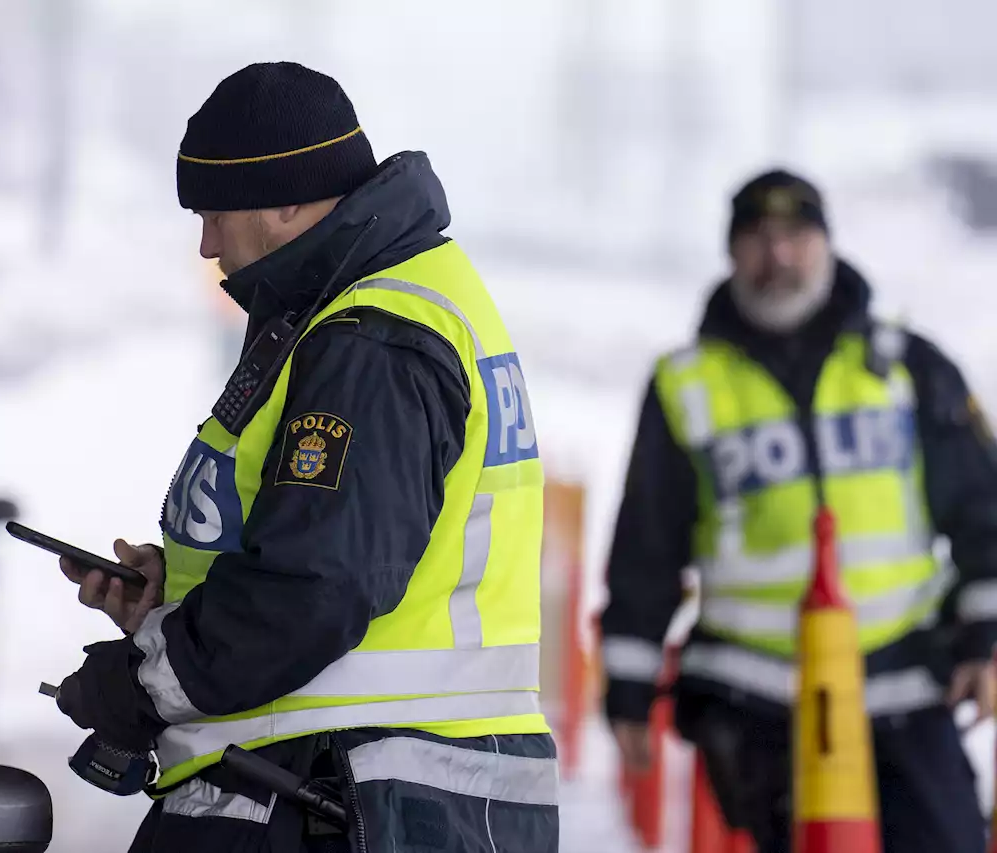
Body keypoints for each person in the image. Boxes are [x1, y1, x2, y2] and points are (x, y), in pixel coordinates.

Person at [51, 61, 559, 853]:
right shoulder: (380, 304)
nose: (207, 242)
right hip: (379, 793)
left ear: (289, 200)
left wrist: (142, 683)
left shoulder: (372, 338)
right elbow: (326, 540)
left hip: (350, 796)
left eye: (217, 212)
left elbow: (319, 586)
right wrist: (180, 595)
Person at [601, 168, 997, 853]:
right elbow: (647, 547)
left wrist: (986, 633)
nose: (777, 255)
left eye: (795, 235)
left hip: (904, 680)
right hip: (759, 696)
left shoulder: (907, 365)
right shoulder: (685, 384)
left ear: (828, 243)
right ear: (730, 253)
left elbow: (982, 509)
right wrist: (630, 687)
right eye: (756, 238)